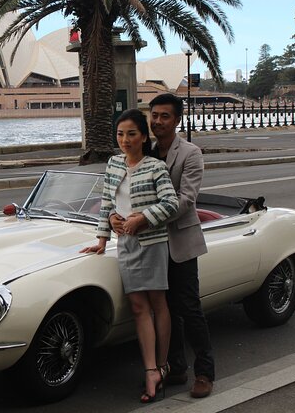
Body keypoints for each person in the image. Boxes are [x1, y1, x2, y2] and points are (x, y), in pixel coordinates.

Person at [110, 94, 215, 398]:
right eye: (154, 115)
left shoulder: (190, 153)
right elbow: (122, 194)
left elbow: (186, 199)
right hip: (148, 244)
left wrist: (145, 218)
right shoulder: (145, 151)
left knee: (189, 307)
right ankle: (175, 367)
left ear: (177, 120)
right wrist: (114, 218)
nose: (157, 121)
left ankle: (205, 372)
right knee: (165, 309)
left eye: (165, 116)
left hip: (179, 239)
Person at [80, 108, 179, 403]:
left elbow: (171, 203)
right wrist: (103, 235)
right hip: (125, 244)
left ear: (143, 137)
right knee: (138, 306)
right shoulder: (113, 164)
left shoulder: (155, 167)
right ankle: (151, 369)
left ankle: (161, 366)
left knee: (158, 302)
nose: (125, 140)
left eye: (131, 134)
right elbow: (106, 202)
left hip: (152, 243)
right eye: (120, 134)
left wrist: (143, 218)